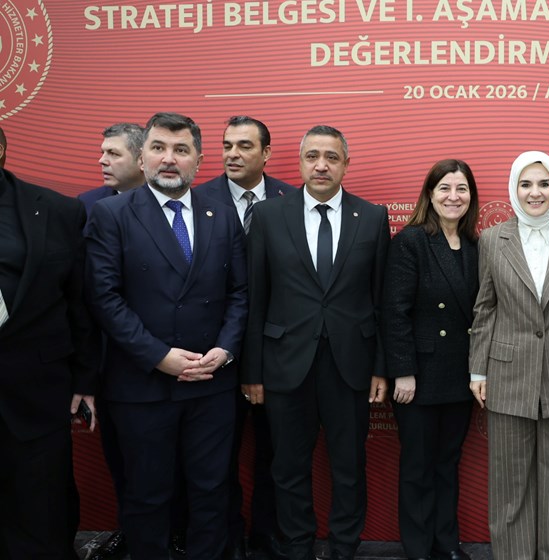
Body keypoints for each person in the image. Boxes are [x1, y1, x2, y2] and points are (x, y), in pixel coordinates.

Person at [84, 112, 248, 560]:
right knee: (147, 496)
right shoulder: (111, 214)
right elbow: (104, 298)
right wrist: (159, 356)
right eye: (158, 148)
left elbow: (240, 292)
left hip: (211, 384)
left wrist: (225, 349)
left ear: (199, 159)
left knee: (212, 492)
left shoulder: (222, 215)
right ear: (143, 157)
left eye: (181, 150)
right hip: (142, 385)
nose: (169, 159)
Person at [241, 125, 390, 560]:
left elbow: (381, 301)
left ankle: (344, 548)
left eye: (331, 157)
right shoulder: (268, 216)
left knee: (349, 467)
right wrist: (252, 371)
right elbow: (256, 298)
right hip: (284, 364)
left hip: (351, 365)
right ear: (300, 161)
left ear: (346, 164)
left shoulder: (373, 217)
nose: (321, 165)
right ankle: (297, 547)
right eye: (312, 156)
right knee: (287, 467)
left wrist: (381, 367)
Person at [468, 151, 549, 560]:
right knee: (510, 486)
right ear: (513, 189)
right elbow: (485, 308)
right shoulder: (492, 239)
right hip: (507, 375)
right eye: (526, 184)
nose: (535, 192)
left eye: (543, 183)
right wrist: (478, 370)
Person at [194, 115, 294, 560]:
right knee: (216, 457)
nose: (232, 154)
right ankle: (227, 536)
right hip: (214, 350)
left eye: (244, 146)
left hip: (278, 350)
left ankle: (268, 535)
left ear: (266, 153)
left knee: (276, 452)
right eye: (227, 145)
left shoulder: (293, 200)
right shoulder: (197, 200)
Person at [0, 126, 98, 559]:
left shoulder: (58, 210)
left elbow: (80, 303)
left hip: (37, 392)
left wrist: (86, 378)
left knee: (42, 515)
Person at [383, 159, 480, 560]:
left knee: (448, 463)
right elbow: (394, 312)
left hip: (460, 374)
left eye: (461, 189)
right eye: (445, 188)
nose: (453, 197)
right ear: (429, 194)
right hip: (419, 377)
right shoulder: (412, 241)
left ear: (471, 196)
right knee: (418, 466)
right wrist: (403, 372)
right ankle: (419, 548)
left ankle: (446, 543)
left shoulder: (476, 245)